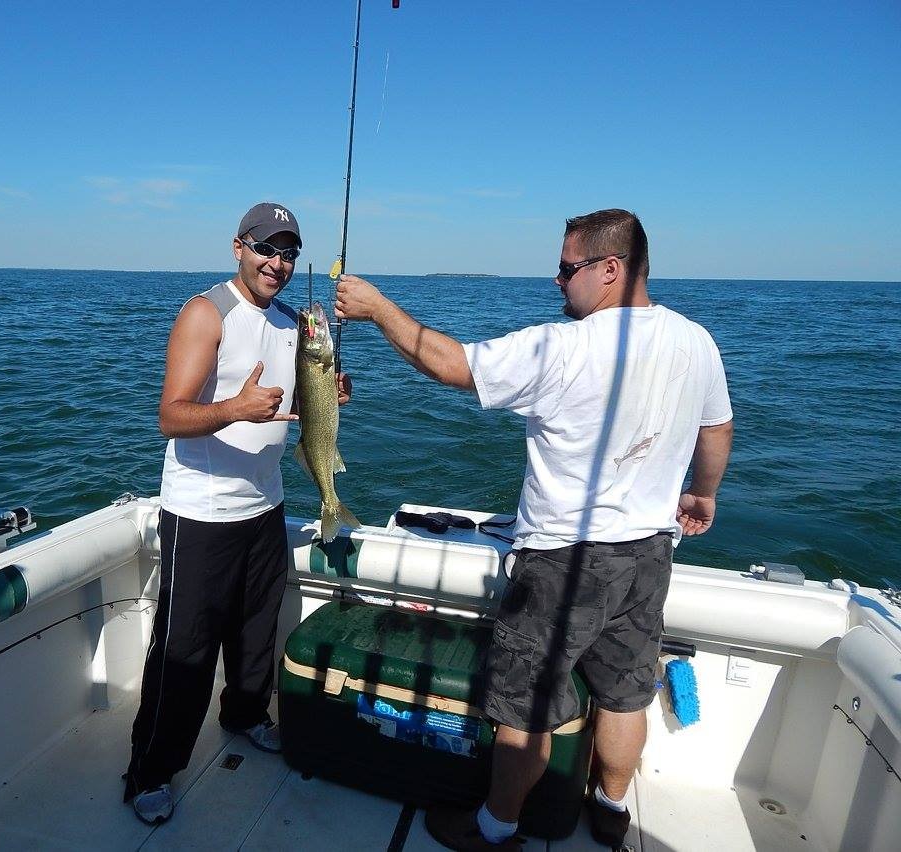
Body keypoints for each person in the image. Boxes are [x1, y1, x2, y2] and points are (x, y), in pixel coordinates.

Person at [334, 209, 732, 851]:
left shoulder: (563, 346)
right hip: (650, 554)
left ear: (611, 269)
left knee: (524, 704)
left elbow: (452, 364)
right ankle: (609, 807)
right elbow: (716, 429)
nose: (556, 281)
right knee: (627, 688)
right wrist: (703, 493)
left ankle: (496, 827)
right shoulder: (696, 341)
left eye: (566, 268)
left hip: (559, 563)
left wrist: (378, 307)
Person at [123, 202, 351, 825]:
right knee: (185, 653)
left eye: (288, 254)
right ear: (238, 248)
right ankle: (150, 768)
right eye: (265, 250)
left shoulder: (292, 323)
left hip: (265, 506)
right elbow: (171, 415)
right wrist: (233, 409)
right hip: (200, 513)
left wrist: (332, 386)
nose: (277, 264)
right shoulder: (206, 313)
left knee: (256, 635)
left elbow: (308, 398)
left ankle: (246, 713)